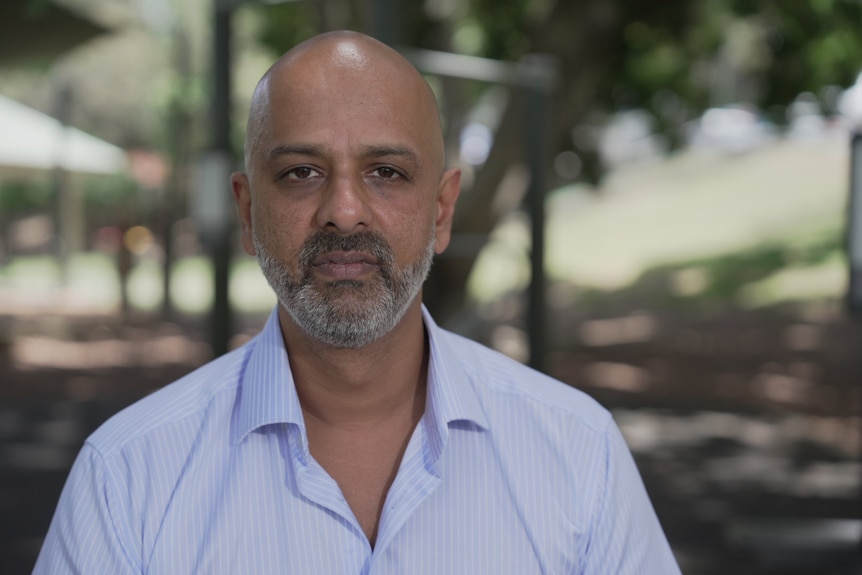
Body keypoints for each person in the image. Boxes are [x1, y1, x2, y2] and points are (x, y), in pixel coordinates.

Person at [33, 31, 681, 574]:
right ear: (248, 210)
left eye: (387, 172)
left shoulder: (576, 449)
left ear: (443, 208)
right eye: (300, 173)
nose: (344, 212)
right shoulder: (128, 475)